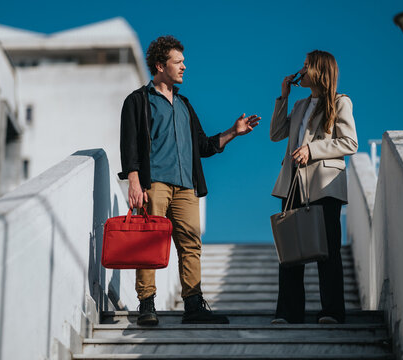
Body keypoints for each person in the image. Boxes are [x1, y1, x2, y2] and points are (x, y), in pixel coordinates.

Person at [119, 35, 260, 325]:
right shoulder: (138, 101)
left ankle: (194, 306)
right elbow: (129, 144)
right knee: (148, 242)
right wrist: (134, 180)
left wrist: (234, 132)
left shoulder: (184, 105)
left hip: (186, 186)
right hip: (154, 183)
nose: (184, 66)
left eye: (184, 61)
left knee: (191, 243)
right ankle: (147, 305)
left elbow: (204, 146)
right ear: (160, 65)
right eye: (178, 62)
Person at [269, 50, 358, 324]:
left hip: (323, 186)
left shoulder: (340, 102)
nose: (302, 70)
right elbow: (275, 134)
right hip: (293, 185)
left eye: (306, 65)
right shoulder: (297, 105)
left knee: (327, 250)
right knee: (290, 251)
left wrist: (313, 148)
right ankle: (288, 313)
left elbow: (350, 142)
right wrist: (283, 97)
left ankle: (331, 311)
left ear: (319, 70)